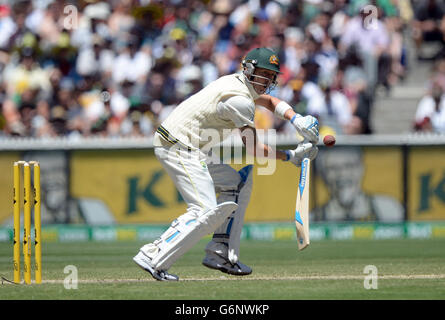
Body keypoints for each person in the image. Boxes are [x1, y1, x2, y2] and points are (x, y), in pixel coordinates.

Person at [133, 47, 319, 281]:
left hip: (190, 147)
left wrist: (296, 118)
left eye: (271, 76)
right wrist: (292, 156)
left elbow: (271, 101)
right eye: (263, 73)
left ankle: (221, 252)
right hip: (178, 146)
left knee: (237, 183)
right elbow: (255, 150)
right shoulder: (239, 100)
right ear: (249, 69)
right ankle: (152, 255)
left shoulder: (239, 84)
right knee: (205, 210)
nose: (267, 80)